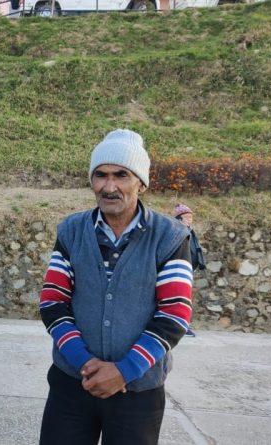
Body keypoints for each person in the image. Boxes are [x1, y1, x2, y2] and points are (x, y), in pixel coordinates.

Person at [38, 129, 193, 445]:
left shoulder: (169, 237)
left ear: (141, 183)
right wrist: (85, 363)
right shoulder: (71, 231)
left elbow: (174, 314)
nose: (109, 187)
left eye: (121, 175)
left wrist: (124, 370)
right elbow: (53, 302)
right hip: (73, 383)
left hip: (138, 391)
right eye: (100, 175)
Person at [174, 203, 206, 337]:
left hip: (187, 269)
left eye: (191, 217)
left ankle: (183, 326)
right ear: (179, 218)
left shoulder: (189, 231)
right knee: (179, 299)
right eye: (187, 217)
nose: (190, 220)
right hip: (177, 270)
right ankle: (180, 327)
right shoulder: (177, 231)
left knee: (185, 299)